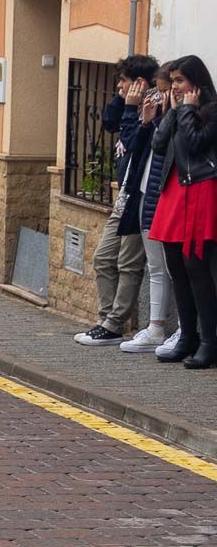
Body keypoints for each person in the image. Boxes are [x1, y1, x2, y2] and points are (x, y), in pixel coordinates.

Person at [73, 55, 158, 346]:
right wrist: (123, 99)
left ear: (140, 83)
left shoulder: (152, 109)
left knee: (128, 262)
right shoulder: (128, 104)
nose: (118, 85)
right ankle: (106, 318)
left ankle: (114, 323)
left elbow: (135, 142)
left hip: (138, 197)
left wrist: (133, 106)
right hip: (123, 196)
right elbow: (108, 123)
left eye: (122, 80)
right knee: (102, 258)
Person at [149, 56, 217, 368]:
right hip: (174, 193)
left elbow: (194, 145)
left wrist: (187, 110)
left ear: (196, 83)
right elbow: (159, 145)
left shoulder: (212, 111)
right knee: (176, 267)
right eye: (172, 81)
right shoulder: (179, 111)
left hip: (200, 192)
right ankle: (187, 336)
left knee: (197, 269)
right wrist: (173, 112)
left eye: (179, 81)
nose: (174, 87)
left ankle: (208, 342)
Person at [113, 60, 177, 354]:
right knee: (155, 267)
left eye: (165, 92)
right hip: (145, 195)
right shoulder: (154, 119)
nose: (161, 97)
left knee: (173, 268)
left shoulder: (180, 118)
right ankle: (155, 327)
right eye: (161, 90)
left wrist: (175, 112)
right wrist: (143, 118)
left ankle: (173, 329)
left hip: (167, 199)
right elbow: (131, 145)